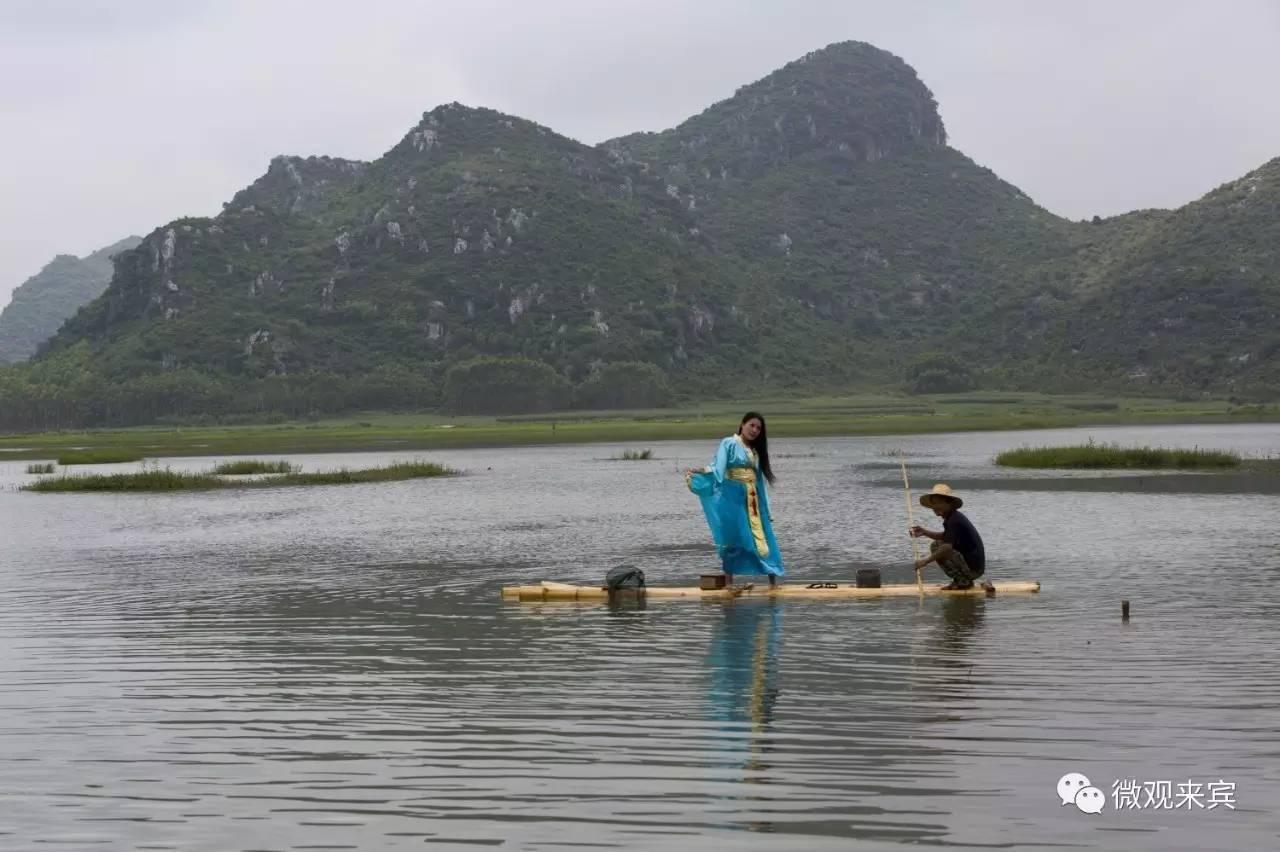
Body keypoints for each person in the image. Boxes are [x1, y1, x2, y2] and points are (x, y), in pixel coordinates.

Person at [685, 412, 785, 590]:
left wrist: (766, 508)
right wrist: (700, 471)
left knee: (765, 537)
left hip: (753, 499)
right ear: (742, 424)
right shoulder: (729, 443)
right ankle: (729, 583)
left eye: (758, 428)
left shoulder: (756, 452)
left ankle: (773, 582)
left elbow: (759, 482)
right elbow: (718, 468)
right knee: (732, 538)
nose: (754, 430)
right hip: (732, 497)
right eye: (752, 425)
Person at [909, 483, 990, 591]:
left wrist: (925, 561)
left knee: (939, 547)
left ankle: (964, 581)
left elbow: (947, 547)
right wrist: (924, 532)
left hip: (974, 570)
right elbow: (945, 537)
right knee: (937, 544)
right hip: (973, 568)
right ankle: (960, 580)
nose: (935, 507)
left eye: (938, 503)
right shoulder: (952, 518)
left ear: (949, 503)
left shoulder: (954, 520)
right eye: (933, 503)